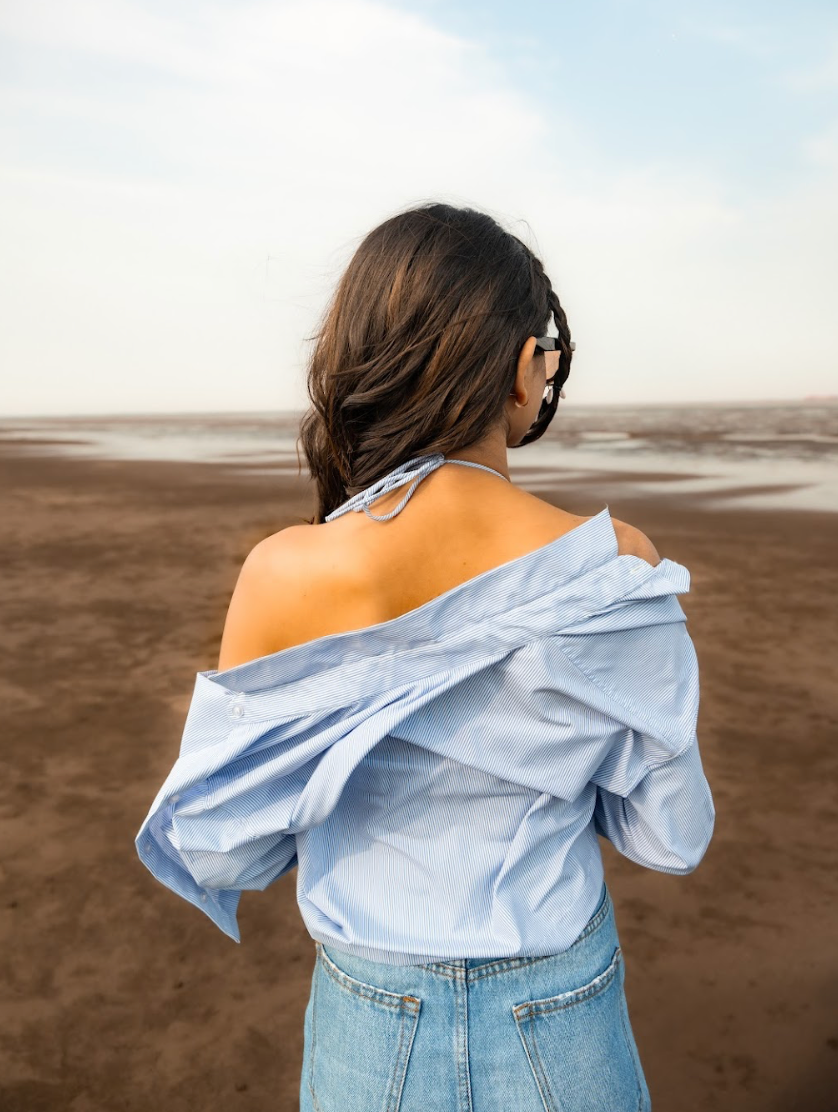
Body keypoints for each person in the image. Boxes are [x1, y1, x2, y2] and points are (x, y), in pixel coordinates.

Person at [135, 202, 715, 1111]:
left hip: (370, 1021)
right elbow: (671, 836)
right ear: (527, 369)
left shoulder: (284, 573)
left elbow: (223, 848)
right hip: (561, 1006)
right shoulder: (616, 564)